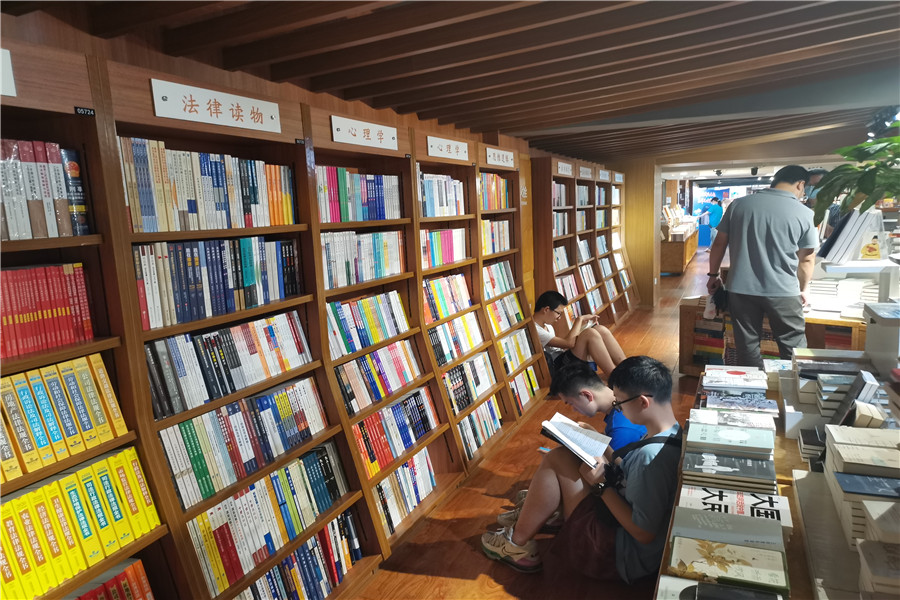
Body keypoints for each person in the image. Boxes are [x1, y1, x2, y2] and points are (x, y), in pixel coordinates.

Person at [481, 357, 681, 581]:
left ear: (643, 402)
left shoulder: (650, 458)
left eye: (620, 403)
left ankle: (517, 542)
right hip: (622, 525)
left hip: (623, 555)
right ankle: (533, 521)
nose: (618, 408)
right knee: (562, 458)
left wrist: (601, 486)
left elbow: (643, 533)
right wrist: (601, 445)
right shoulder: (669, 431)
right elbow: (630, 471)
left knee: (556, 459)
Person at [707, 165, 817, 368]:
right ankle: (794, 385)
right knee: (793, 347)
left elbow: (719, 243)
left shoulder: (739, 205)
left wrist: (713, 275)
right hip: (783, 291)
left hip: (740, 289)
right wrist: (803, 289)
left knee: (747, 346)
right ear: (800, 184)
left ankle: (753, 385)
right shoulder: (804, 213)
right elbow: (807, 258)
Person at [533, 290, 625, 377]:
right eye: (558, 313)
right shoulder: (535, 330)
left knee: (600, 329)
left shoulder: (547, 326)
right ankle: (615, 377)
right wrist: (579, 320)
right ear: (546, 309)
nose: (559, 317)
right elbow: (569, 343)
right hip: (559, 367)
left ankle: (627, 368)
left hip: (563, 357)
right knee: (589, 333)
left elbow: (563, 345)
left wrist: (580, 330)